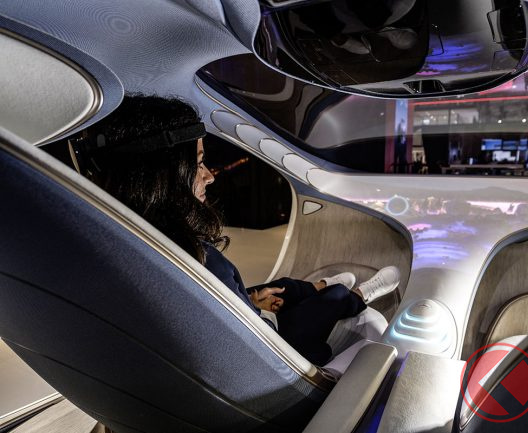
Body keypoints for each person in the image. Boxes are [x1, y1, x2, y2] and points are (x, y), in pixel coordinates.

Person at [76, 94, 400, 366]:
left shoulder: (125, 245)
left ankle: (321, 286)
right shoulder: (203, 263)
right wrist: (256, 313)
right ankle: (354, 294)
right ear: (164, 177)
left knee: (283, 287)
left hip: (233, 336)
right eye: (198, 163)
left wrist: (250, 301)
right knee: (330, 301)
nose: (209, 176)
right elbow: (260, 352)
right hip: (273, 355)